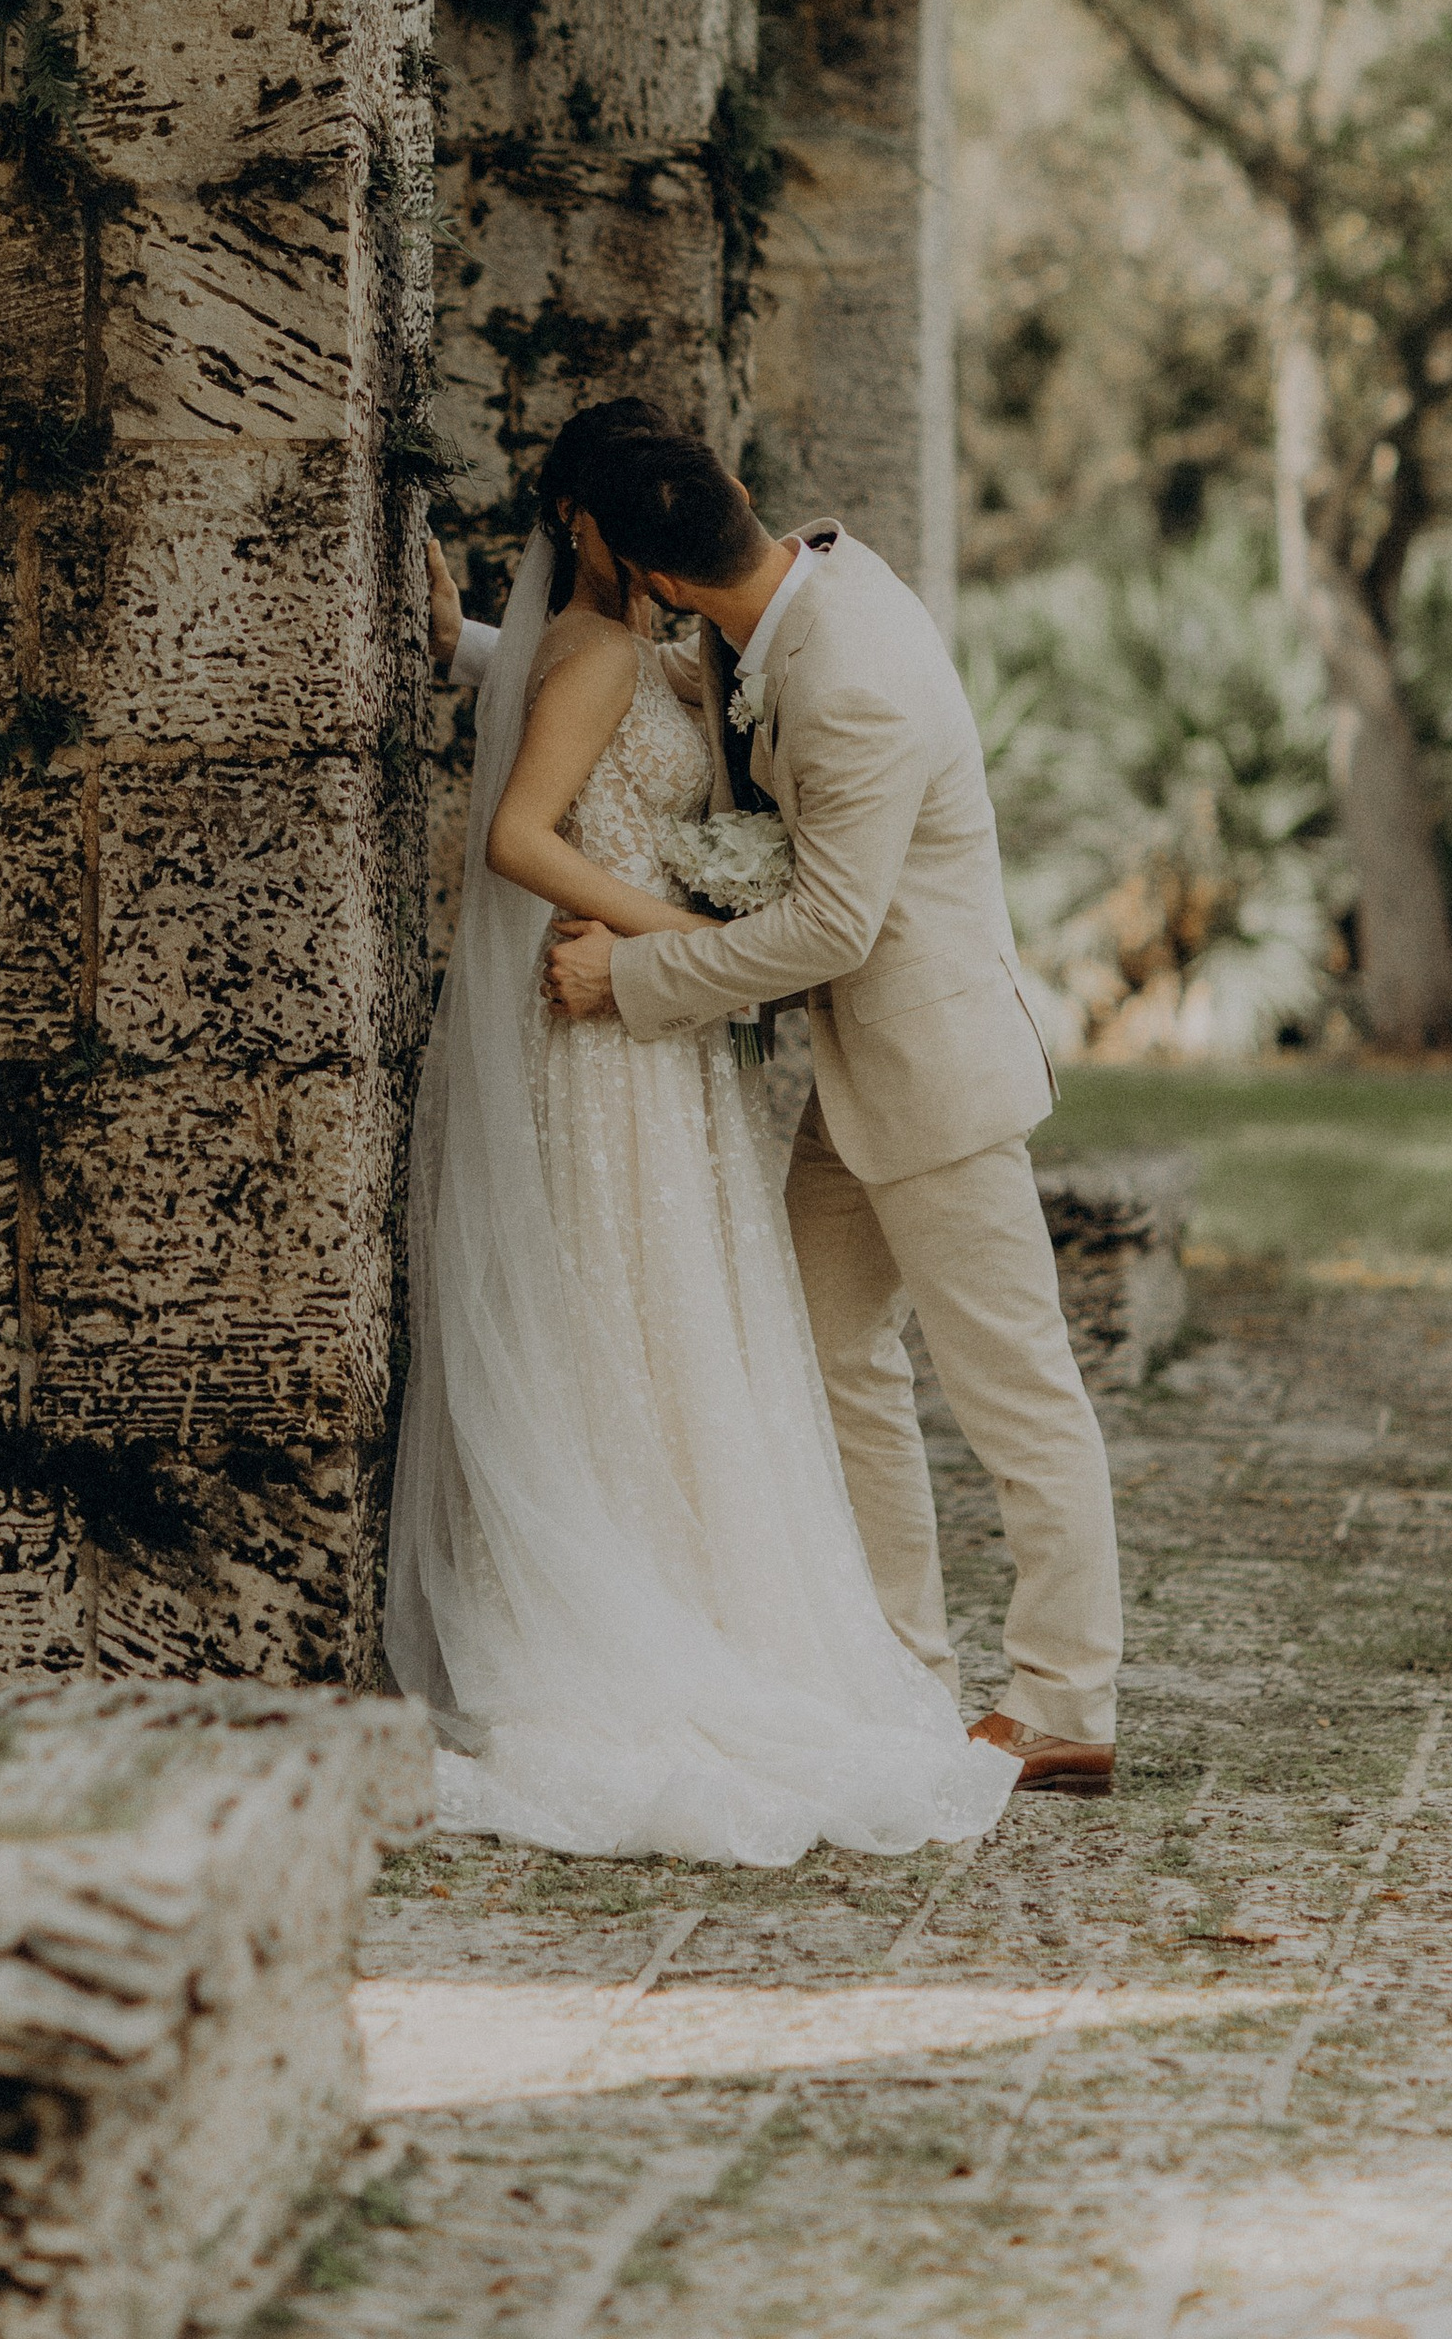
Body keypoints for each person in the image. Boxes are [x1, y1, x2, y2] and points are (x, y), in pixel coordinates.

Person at [387, 407, 1019, 1863]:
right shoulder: (615, 649)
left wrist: (465, 647)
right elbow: (525, 832)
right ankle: (636, 1610)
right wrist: (670, 939)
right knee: (628, 1314)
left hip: (654, 1033)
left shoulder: (669, 647)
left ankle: (719, 1599)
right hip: (607, 1031)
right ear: (609, 535)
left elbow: (589, 699)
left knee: (675, 1320)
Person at [533, 436, 1124, 1794]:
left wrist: (630, 979)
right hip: (867, 1080)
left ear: (659, 576)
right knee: (822, 1349)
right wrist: (478, 651)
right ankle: (901, 1667)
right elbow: (658, 693)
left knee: (1018, 1392)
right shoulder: (789, 584)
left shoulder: (852, 677)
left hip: (938, 1076)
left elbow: (830, 929)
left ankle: (1065, 1702)